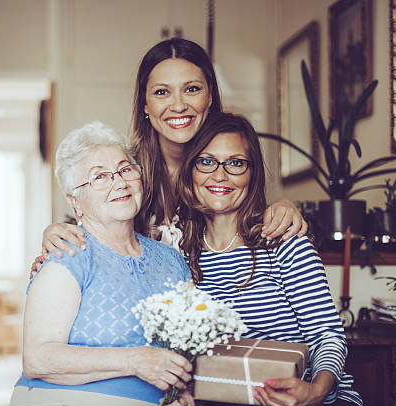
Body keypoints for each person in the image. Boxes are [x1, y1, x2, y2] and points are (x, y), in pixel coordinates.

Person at [37, 38, 306, 266]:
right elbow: (88, 227)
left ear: (210, 97)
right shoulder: (125, 171)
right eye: (162, 92)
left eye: (192, 89)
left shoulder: (224, 173)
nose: (178, 105)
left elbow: (249, 224)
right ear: (145, 103)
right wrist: (56, 232)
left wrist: (283, 206)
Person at [176, 112, 363, 406]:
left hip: (312, 398)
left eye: (235, 163)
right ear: (190, 170)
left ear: (253, 174)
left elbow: (326, 335)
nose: (220, 175)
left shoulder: (284, 243)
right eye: (206, 161)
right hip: (225, 397)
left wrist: (315, 392)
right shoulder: (177, 253)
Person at [11, 121, 195, 406]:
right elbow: (37, 359)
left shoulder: (170, 259)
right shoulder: (68, 254)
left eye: (125, 170)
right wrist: (134, 360)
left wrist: (184, 396)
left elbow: (186, 348)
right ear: (76, 201)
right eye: (99, 177)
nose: (119, 182)